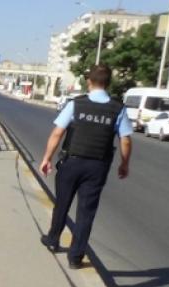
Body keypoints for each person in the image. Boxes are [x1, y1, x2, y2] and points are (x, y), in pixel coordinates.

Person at [39, 64, 133, 270]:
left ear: (89, 81)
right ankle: (75, 256)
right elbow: (125, 140)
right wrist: (124, 164)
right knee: (86, 211)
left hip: (71, 162)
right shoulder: (118, 108)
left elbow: (57, 133)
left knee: (62, 203)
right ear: (109, 83)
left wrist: (47, 158)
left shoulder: (76, 104)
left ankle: (53, 240)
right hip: (97, 166)